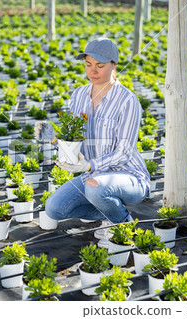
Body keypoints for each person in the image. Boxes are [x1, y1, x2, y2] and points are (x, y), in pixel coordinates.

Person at [34, 37, 150, 247]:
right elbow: (73, 138)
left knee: (95, 189)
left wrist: (89, 166)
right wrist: (53, 139)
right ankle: (109, 212)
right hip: (94, 177)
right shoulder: (78, 95)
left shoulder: (127, 100)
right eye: (88, 65)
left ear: (114, 65)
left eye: (100, 66)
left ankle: (123, 223)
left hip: (129, 176)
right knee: (54, 208)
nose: (93, 71)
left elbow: (124, 152)